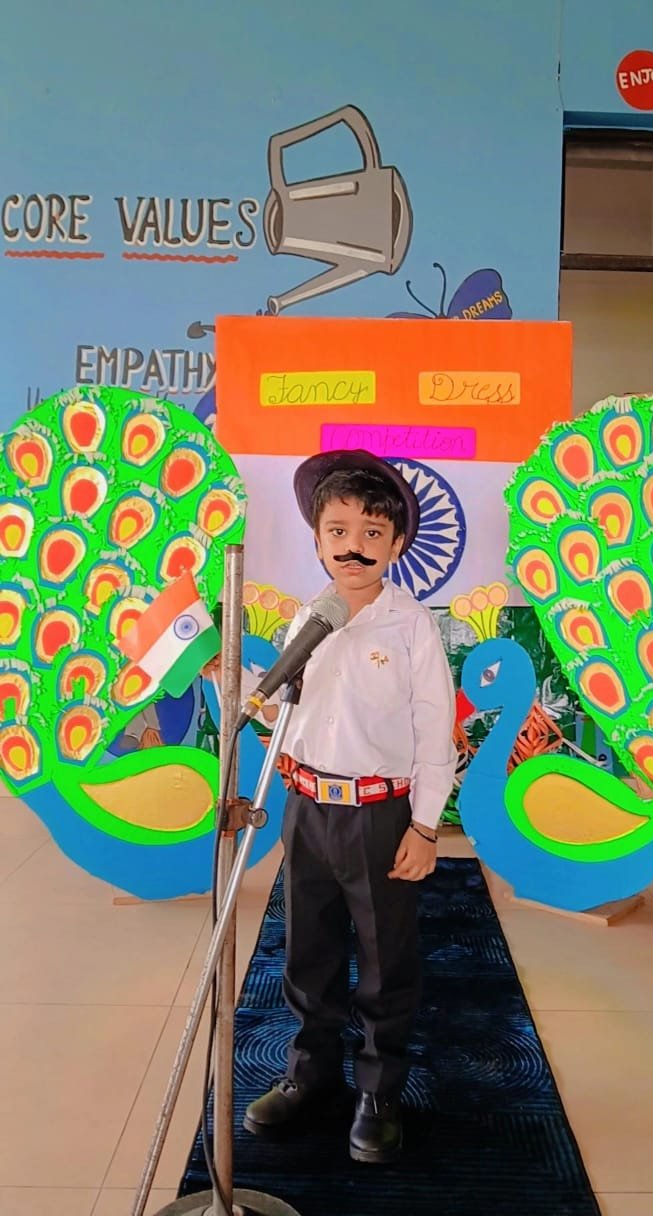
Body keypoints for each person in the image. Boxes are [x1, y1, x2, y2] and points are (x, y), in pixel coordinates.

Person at [213, 449, 457, 1164]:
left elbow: (433, 731)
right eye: (338, 531)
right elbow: (284, 709)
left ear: (396, 544)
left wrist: (424, 826)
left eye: (372, 533)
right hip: (307, 808)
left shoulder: (410, 627)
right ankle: (310, 1075)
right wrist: (232, 677)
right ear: (318, 540)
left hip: (378, 815)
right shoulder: (306, 619)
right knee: (308, 951)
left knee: (385, 957)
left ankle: (379, 1091)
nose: (354, 546)